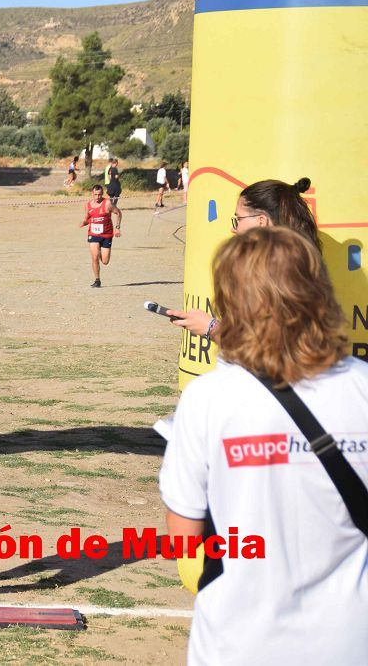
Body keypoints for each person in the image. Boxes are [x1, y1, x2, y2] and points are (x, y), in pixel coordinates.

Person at [159, 226, 368, 665]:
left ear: (231, 301)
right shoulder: (363, 388)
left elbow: (182, 539)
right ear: (318, 293)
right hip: (351, 639)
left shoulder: (209, 398)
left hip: (239, 641)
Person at [168, 177, 318, 341]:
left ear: (262, 221)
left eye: (238, 219)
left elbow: (264, 348)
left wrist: (211, 328)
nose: (234, 228)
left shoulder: (276, 273)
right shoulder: (297, 263)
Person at [79, 183, 122, 288]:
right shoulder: (88, 205)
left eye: (100, 195)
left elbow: (119, 213)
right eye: (95, 195)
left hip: (107, 234)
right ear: (92, 194)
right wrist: (84, 223)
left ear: (102, 194)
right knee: (94, 257)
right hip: (93, 234)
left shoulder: (107, 203)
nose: (98, 197)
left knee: (105, 261)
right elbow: (88, 218)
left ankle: (99, 253)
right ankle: (97, 280)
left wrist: (117, 228)